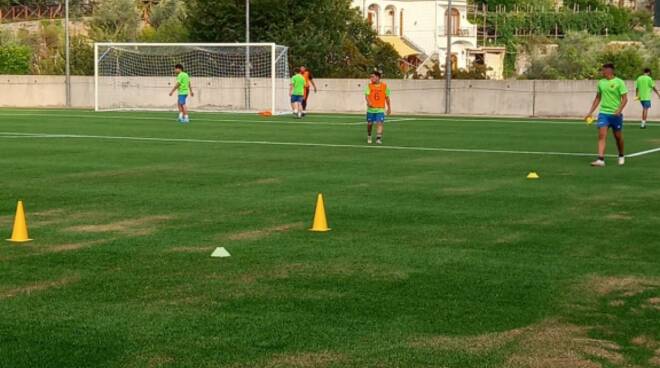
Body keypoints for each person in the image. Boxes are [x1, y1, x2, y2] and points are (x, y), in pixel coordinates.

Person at [585, 63, 628, 167]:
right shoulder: (601, 82)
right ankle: (600, 160)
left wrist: (619, 110)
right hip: (603, 113)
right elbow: (598, 98)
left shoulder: (619, 82)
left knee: (618, 137)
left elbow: (625, 99)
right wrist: (590, 112)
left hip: (615, 115)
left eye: (603, 70)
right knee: (601, 135)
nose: (602, 72)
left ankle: (621, 155)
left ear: (609, 71)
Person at [365, 70, 391, 145]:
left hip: (380, 109)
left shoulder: (384, 86)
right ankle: (369, 136)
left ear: (377, 77)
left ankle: (378, 138)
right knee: (370, 124)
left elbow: (387, 97)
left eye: (372, 77)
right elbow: (366, 96)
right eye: (370, 77)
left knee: (380, 123)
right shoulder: (369, 86)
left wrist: (389, 108)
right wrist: (368, 102)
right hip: (371, 109)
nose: (371, 78)